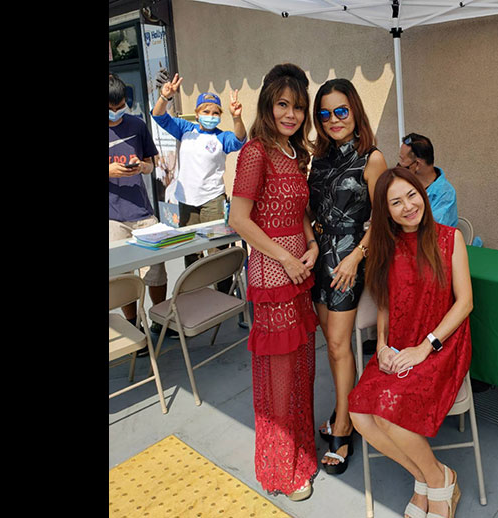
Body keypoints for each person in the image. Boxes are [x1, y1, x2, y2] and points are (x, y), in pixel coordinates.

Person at [348, 167, 473, 518]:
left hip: (441, 344)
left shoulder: (449, 238)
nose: (408, 206)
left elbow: (465, 303)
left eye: (412, 195)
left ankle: (437, 480)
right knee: (359, 413)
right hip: (399, 344)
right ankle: (427, 478)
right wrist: (382, 345)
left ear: (423, 194)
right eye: (396, 202)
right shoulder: (386, 247)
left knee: (389, 411)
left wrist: (425, 347)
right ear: (386, 212)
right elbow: (385, 304)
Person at [228, 63, 319, 502]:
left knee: (303, 368)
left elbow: (300, 213)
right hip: (272, 274)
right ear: (268, 104)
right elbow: (238, 219)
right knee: (280, 374)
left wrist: (311, 245)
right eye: (283, 104)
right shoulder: (255, 152)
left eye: (298, 107)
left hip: (300, 271)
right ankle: (281, 467)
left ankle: (301, 453)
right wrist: (284, 256)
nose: (291, 114)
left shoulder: (294, 154)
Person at [307, 78, 388, 474]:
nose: (333, 119)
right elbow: (312, 210)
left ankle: (344, 425)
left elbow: (383, 218)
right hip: (319, 258)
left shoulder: (372, 158)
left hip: (349, 261)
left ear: (355, 111)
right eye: (324, 114)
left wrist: (357, 256)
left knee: (339, 345)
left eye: (341, 111)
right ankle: (345, 407)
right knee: (333, 345)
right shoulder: (320, 158)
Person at [152, 74, 247, 271]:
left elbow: (239, 140)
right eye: (206, 111)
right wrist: (165, 97)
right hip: (186, 200)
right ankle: (196, 288)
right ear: (197, 114)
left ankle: (223, 288)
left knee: (217, 252)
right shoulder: (185, 129)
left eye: (215, 113)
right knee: (191, 252)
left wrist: (236, 117)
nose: (211, 116)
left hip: (212, 200)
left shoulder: (222, 137)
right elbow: (159, 116)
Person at [109, 72, 172, 343]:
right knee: (124, 277)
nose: (116, 112)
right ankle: (134, 325)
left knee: (157, 270)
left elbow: (151, 161)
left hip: (143, 212)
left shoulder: (137, 124)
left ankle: (160, 319)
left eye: (120, 106)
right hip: (112, 217)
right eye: (111, 108)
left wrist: (144, 167)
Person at [398, 133, 458, 227]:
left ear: (417, 164)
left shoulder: (446, 194)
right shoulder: (403, 184)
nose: (400, 165)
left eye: (402, 160)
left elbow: (432, 229)